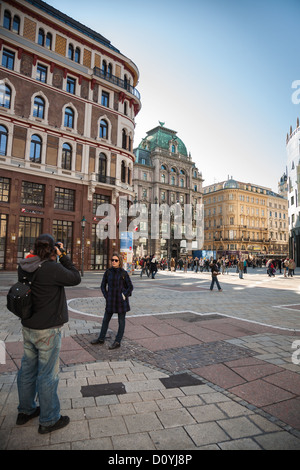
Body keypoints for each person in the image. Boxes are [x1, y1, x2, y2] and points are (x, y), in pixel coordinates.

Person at [16, 234, 81, 434]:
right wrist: (63, 256)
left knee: (27, 370)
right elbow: (75, 277)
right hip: (48, 330)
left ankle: (25, 411)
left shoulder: (24, 265)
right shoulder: (52, 268)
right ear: (52, 249)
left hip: (29, 326)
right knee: (47, 374)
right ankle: (49, 419)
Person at [91, 253, 133, 349]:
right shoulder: (108, 272)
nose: (113, 262)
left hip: (121, 302)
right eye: (112, 260)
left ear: (120, 262)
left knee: (121, 322)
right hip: (111, 301)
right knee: (105, 320)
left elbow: (130, 287)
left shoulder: (123, 273)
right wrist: (107, 296)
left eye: (116, 260)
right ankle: (101, 338)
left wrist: (124, 295)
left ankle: (117, 341)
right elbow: (102, 286)